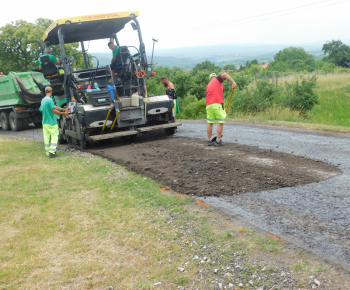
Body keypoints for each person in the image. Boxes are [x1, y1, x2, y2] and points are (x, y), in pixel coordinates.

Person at [206, 72, 237, 147]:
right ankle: (218, 141)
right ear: (214, 77)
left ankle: (209, 140)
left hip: (209, 105)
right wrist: (233, 82)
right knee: (220, 122)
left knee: (210, 123)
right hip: (217, 104)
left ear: (210, 78)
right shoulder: (217, 79)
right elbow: (225, 74)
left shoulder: (208, 85)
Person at [39, 86, 70, 158]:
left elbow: (54, 106)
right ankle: (52, 152)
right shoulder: (49, 100)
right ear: (51, 91)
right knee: (55, 137)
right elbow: (53, 110)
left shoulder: (43, 100)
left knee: (46, 138)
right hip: (52, 123)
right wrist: (64, 113)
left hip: (45, 122)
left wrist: (64, 109)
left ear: (45, 92)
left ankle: (47, 152)